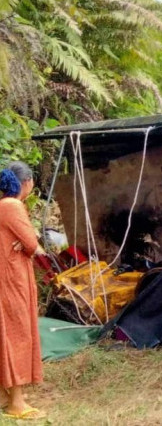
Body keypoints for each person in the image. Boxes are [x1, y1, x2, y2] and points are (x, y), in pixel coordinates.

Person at [0, 162, 46, 420]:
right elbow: (33, 244)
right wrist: (29, 243)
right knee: (17, 333)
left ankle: (3, 395)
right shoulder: (13, 206)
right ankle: (16, 402)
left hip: (4, 277)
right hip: (12, 280)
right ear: (25, 182)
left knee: (5, 332)